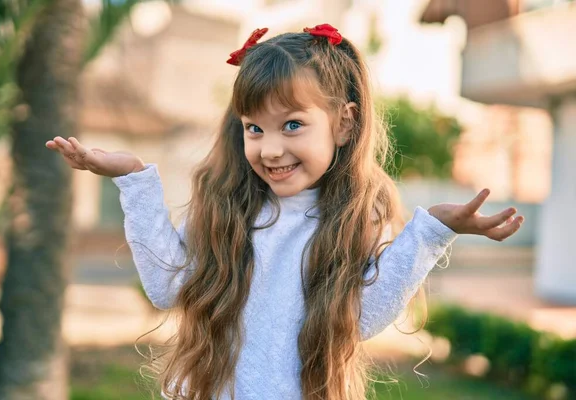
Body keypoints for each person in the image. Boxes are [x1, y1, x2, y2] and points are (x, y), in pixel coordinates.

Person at [45, 24, 523, 400]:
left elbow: (360, 318)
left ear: (344, 123)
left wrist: (431, 230)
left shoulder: (353, 218)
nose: (270, 149)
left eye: (291, 125)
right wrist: (134, 180)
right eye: (254, 129)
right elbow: (168, 287)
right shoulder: (225, 207)